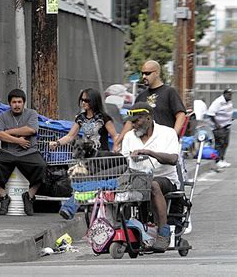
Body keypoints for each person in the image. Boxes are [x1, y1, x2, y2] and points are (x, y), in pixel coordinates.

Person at [49, 88, 118, 220]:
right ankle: (74, 207)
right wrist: (57, 143)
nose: (83, 103)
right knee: (86, 184)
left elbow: (115, 136)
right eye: (82, 99)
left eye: (86, 100)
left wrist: (116, 148)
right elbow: (70, 136)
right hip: (86, 158)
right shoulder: (80, 118)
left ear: (94, 101)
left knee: (88, 184)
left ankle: (70, 207)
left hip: (100, 158)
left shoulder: (104, 118)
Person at [121, 102, 180, 251]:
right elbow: (123, 162)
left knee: (153, 184)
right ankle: (124, 232)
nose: (133, 125)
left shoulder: (168, 133)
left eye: (136, 121)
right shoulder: (129, 137)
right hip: (137, 178)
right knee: (114, 185)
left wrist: (149, 152)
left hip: (164, 179)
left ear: (148, 118)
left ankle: (163, 232)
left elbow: (173, 159)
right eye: (131, 122)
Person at [0, 89, 46, 216]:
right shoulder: (3, 116)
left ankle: (29, 196)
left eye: (19, 102)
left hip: (29, 152)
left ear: (24, 103)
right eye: (14, 102)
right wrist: (17, 141)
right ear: (9, 104)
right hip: (7, 152)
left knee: (41, 166)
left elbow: (31, 130)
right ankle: (3, 197)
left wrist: (7, 132)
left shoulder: (31, 114)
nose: (17, 105)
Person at [114, 60, 186, 152]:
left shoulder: (169, 92)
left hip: (164, 143)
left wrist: (173, 136)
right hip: (144, 143)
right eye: (142, 73)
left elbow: (181, 115)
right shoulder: (141, 96)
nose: (144, 76)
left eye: (147, 73)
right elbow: (131, 121)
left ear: (157, 73)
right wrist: (118, 141)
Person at [207, 88, 233, 168]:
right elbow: (210, 114)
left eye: (231, 94)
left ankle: (222, 159)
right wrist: (217, 124)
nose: (230, 96)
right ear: (224, 94)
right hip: (219, 127)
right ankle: (217, 160)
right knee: (219, 144)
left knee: (225, 143)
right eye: (229, 94)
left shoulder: (229, 102)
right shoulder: (218, 102)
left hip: (226, 126)